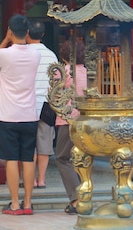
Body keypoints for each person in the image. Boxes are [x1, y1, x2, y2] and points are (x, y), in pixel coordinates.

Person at [0, 14, 41, 215]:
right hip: (29, 114)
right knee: (28, 157)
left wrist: (5, 40)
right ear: (27, 32)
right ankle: (28, 203)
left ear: (10, 31)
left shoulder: (5, 54)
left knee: (11, 159)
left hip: (8, 115)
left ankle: (14, 204)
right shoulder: (35, 54)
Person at [54, 36, 88, 214]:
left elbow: (53, 94)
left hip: (67, 119)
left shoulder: (63, 71)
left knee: (62, 157)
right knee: (80, 159)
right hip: (85, 120)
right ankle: (84, 196)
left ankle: (76, 200)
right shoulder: (86, 71)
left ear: (65, 55)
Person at [28, 20, 58, 188]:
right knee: (44, 144)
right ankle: (42, 179)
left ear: (27, 33)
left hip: (28, 104)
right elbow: (56, 81)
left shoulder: (24, 54)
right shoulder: (51, 55)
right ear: (43, 35)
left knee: (29, 144)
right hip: (47, 105)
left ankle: (30, 179)